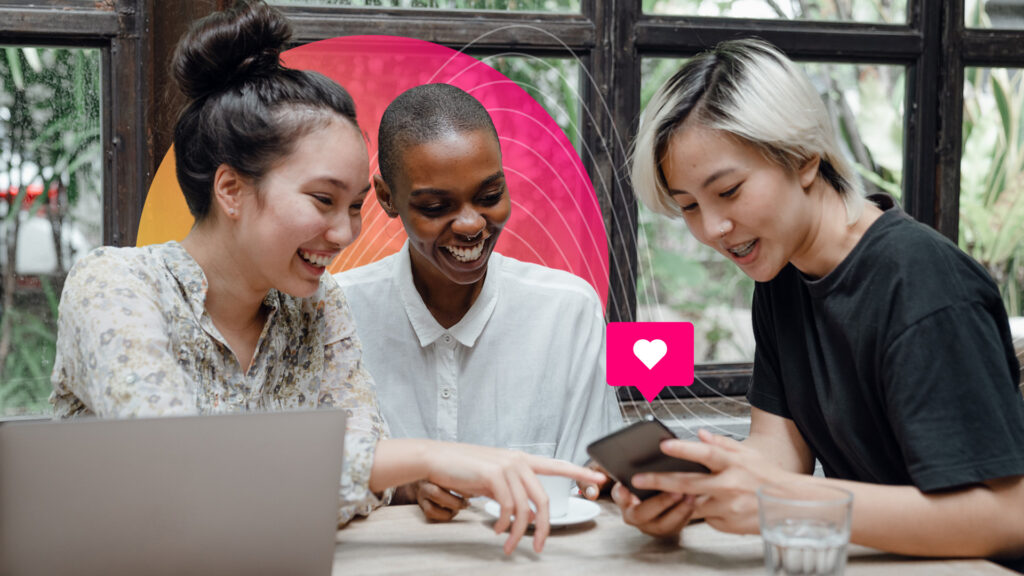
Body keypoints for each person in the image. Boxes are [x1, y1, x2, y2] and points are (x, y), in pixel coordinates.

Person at [49, 0, 603, 555]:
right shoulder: (115, 285)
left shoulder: (317, 305)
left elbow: (366, 485)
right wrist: (428, 457)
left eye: (356, 206)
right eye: (322, 200)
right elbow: (177, 470)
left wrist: (367, 473)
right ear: (231, 190)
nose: (344, 234)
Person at [621, 38, 1024, 569]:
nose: (712, 229)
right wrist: (694, 490)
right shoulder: (781, 275)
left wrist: (781, 500)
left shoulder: (924, 282)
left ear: (804, 159)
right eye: (689, 206)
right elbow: (780, 449)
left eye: (730, 191)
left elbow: (1008, 517)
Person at [335, 83, 622, 522]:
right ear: (387, 198)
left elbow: (593, 483)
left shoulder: (569, 311)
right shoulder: (337, 313)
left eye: (490, 197)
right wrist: (406, 484)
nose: (471, 224)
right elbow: (303, 479)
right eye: (435, 206)